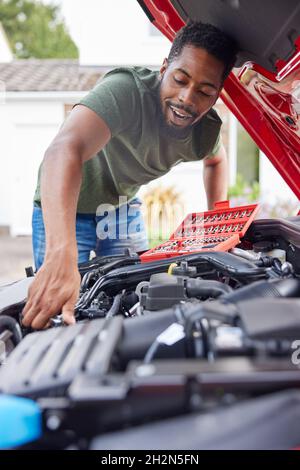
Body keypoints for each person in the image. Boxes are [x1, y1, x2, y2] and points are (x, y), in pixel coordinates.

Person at [22, 21, 238, 329]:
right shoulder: (127, 91)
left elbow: (216, 161)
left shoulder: (202, 133)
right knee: (58, 303)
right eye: (180, 79)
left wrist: (218, 221)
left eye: (204, 91)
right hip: (65, 204)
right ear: (164, 68)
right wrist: (62, 253)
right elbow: (63, 150)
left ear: (216, 96)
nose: (187, 98)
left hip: (121, 205)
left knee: (135, 294)